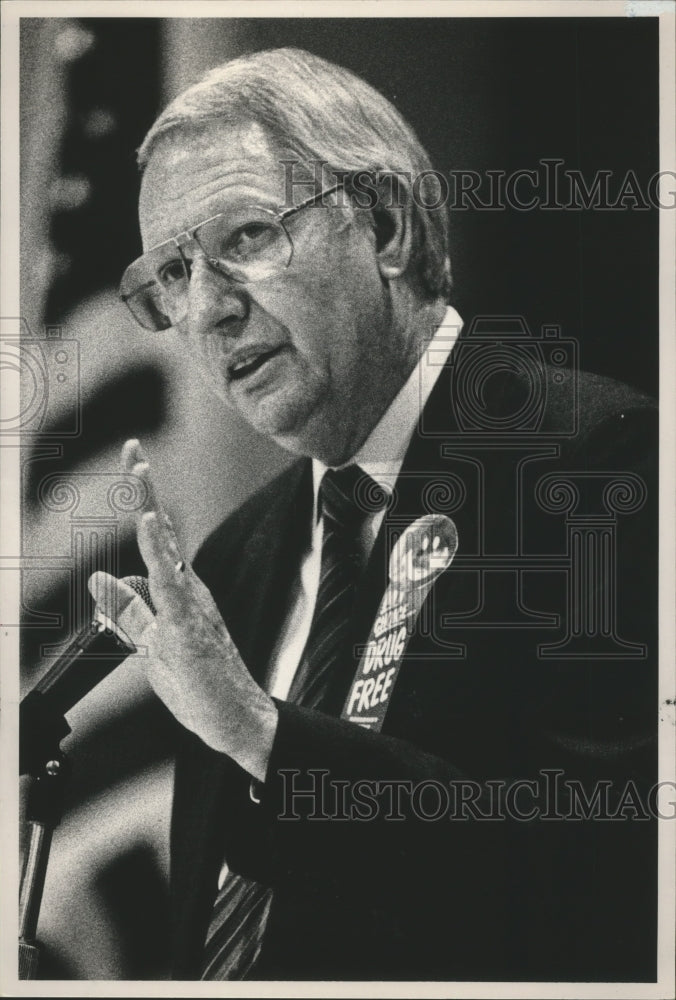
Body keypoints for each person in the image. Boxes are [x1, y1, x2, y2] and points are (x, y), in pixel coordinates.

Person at [90, 48, 658, 982]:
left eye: (242, 238)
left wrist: (258, 730)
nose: (210, 311)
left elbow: (591, 882)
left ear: (386, 227)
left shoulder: (600, 466)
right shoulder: (234, 561)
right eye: (175, 275)